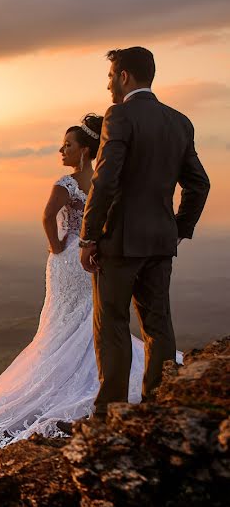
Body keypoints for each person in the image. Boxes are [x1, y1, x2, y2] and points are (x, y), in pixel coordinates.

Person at [0, 113, 181, 463]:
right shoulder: (112, 181)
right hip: (98, 255)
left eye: (68, 145)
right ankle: (110, 377)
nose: (62, 150)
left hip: (69, 258)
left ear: (85, 150)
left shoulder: (67, 182)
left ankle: (54, 384)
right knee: (96, 317)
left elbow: (48, 216)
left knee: (59, 321)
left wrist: (57, 246)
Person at [80, 47, 210, 418]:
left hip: (119, 242)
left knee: (113, 325)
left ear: (124, 76)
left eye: (110, 77)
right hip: (160, 242)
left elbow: (104, 181)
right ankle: (158, 404)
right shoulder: (179, 122)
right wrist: (179, 229)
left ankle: (111, 412)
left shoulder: (119, 115)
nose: (108, 86)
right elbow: (199, 185)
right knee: (158, 324)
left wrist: (89, 237)